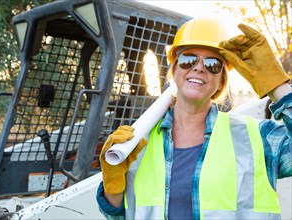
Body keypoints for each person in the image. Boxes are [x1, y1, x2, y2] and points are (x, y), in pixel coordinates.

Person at [96, 17, 292, 220]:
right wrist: (112, 186)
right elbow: (120, 216)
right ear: (174, 70)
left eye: (212, 64)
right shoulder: (135, 143)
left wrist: (278, 86)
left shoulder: (258, 139)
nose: (199, 68)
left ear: (221, 81)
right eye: (188, 59)